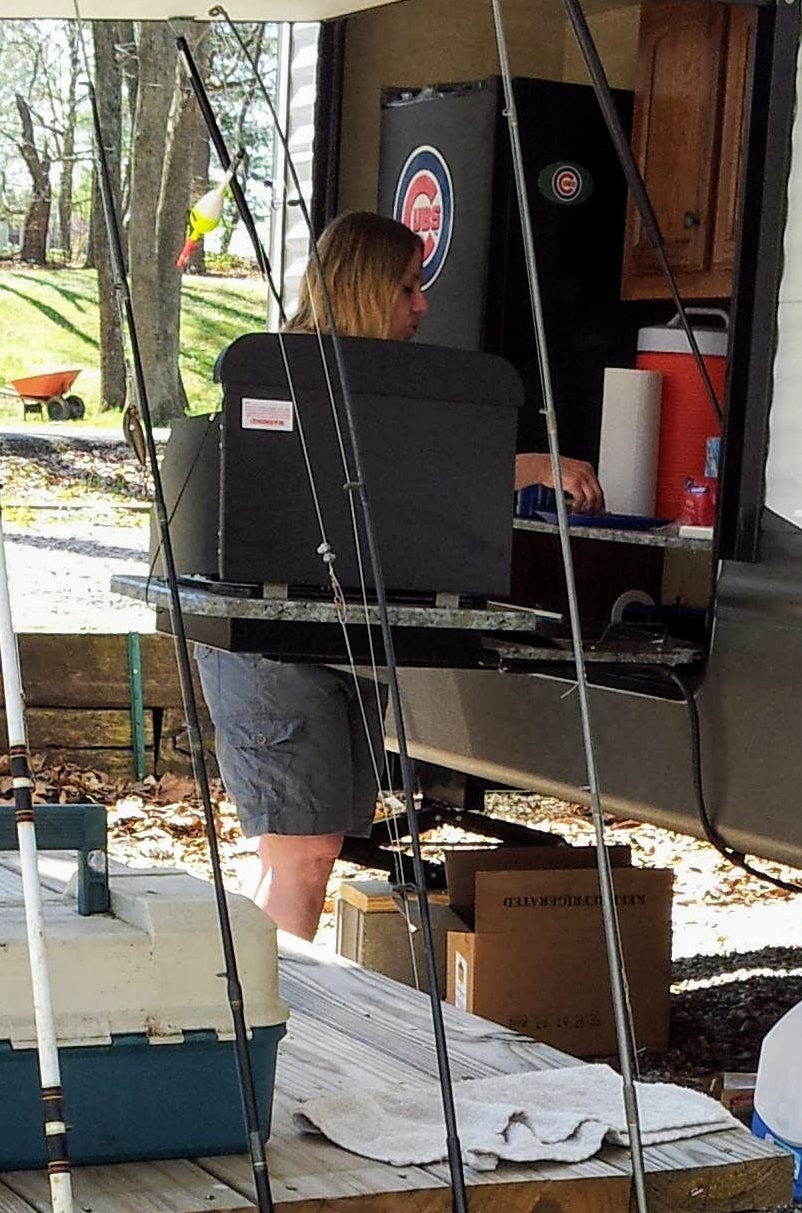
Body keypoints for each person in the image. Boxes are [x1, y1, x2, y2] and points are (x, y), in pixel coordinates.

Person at [192, 210, 604, 941]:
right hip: (271, 642)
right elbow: (407, 483)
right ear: (363, 287)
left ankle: (266, 1005)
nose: (423, 306)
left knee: (309, 846)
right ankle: (274, 1023)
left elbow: (423, 479)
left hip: (337, 639)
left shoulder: (380, 386)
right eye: (409, 287)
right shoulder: (291, 374)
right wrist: (539, 467)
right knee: (303, 849)